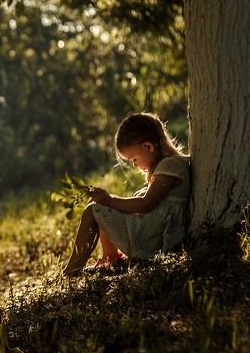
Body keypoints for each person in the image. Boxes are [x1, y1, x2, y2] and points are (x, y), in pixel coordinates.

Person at [63, 112, 190, 276]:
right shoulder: (170, 165)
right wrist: (109, 202)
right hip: (152, 231)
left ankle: (72, 271)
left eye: (133, 159)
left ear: (148, 146)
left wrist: (109, 200)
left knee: (92, 211)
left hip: (153, 239)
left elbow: (146, 205)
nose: (134, 164)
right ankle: (111, 257)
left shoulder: (170, 166)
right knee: (102, 208)